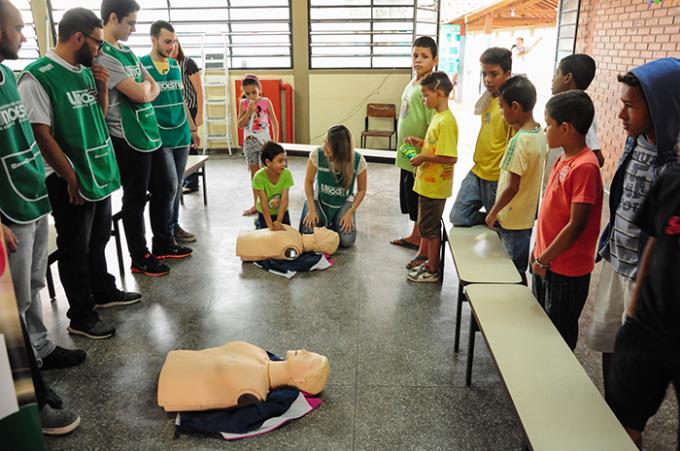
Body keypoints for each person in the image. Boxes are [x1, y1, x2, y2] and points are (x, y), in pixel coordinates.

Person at [19, 7, 141, 339]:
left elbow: (97, 119)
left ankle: (103, 291)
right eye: (97, 42)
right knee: (76, 248)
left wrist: (102, 90)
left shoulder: (87, 69)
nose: (100, 49)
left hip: (97, 171)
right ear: (78, 38)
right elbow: (41, 135)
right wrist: (70, 177)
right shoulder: (38, 76)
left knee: (99, 237)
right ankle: (81, 316)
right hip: (67, 178)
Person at [0, 0, 85, 368]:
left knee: (33, 285)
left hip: (32, 194)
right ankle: (27, 383)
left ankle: (41, 349)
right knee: (12, 301)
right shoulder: (29, 76)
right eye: (17, 28)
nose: (23, 35)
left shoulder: (6, 76)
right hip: (8, 209)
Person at [586, 58, 680, 388]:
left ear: (661, 106)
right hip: (617, 258)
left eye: (630, 107)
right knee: (609, 338)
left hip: (645, 274)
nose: (620, 116)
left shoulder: (674, 164)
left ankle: (627, 425)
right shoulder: (634, 140)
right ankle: (612, 407)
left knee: (636, 356)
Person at [98, 0, 190, 277]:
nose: (134, 29)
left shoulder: (126, 52)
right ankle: (139, 257)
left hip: (150, 134)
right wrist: (144, 91)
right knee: (135, 199)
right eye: (131, 23)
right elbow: (141, 93)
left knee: (165, 187)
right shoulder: (104, 55)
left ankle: (162, 241)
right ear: (113, 18)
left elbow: (152, 87)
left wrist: (144, 90)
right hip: (126, 137)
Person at [605, 134, 680, 449]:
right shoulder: (672, 180)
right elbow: (653, 236)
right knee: (623, 419)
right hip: (649, 324)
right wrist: (634, 308)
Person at [531, 91, 603, 351]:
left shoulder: (585, 166)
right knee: (542, 324)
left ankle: (558, 384)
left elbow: (575, 226)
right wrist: (538, 251)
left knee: (559, 331)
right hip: (547, 261)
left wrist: (543, 258)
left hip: (565, 271)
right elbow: (551, 211)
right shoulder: (562, 158)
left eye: (548, 124)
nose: (545, 130)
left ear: (565, 128)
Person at [140, 21, 200, 246]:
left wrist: (192, 128)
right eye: (167, 41)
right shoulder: (142, 66)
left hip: (181, 133)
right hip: (160, 136)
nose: (171, 46)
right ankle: (165, 232)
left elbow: (182, 100)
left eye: (174, 42)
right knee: (168, 186)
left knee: (177, 185)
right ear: (153, 39)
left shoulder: (176, 66)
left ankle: (174, 226)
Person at [485, 76, 546, 283]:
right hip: (526, 217)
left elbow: (512, 187)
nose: (501, 113)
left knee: (510, 272)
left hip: (511, 219)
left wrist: (493, 212)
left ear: (516, 106)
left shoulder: (519, 141)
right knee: (517, 268)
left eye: (502, 108)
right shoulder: (540, 134)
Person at [450, 47, 513, 227]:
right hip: (477, 170)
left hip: (495, 176)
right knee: (458, 216)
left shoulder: (509, 105)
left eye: (494, 74)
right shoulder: (489, 98)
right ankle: (490, 218)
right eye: (484, 73)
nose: (487, 80)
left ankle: (495, 218)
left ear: (507, 74)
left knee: (500, 225)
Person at [405, 72, 458, 283]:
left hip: (435, 187)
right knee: (426, 225)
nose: (423, 99)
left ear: (439, 93)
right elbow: (437, 147)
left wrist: (423, 157)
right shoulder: (438, 117)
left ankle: (433, 269)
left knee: (431, 228)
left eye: (426, 95)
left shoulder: (446, 121)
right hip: (427, 184)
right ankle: (427, 260)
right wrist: (421, 143)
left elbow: (450, 157)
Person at [390, 36, 437, 255]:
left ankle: (418, 236)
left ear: (434, 60)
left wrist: (426, 152)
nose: (418, 60)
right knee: (410, 193)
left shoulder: (430, 87)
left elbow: (432, 122)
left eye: (424, 56)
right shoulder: (413, 81)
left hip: (419, 152)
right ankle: (415, 233)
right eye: (415, 55)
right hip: (406, 150)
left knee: (418, 195)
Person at [299, 125, 367, 248]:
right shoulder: (317, 155)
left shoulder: (358, 160)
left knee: (347, 241)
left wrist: (350, 212)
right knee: (307, 234)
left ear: (340, 149)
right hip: (319, 201)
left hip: (343, 202)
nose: (324, 146)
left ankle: (336, 222)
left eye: (328, 144)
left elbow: (362, 190)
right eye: (324, 141)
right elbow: (308, 182)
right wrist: (312, 209)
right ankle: (329, 224)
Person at [544, 53, 603, 194]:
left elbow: (597, 157)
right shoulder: (563, 107)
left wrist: (570, 176)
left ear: (567, 78)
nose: (553, 79)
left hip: (564, 192)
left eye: (557, 73)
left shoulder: (579, 110)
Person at [237, 74, 280, 216]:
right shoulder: (243, 104)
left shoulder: (266, 102)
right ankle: (256, 204)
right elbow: (240, 125)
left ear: (259, 89)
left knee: (267, 173)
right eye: (247, 93)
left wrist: (275, 140)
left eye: (254, 92)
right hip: (250, 141)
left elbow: (274, 121)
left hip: (264, 141)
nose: (251, 96)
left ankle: (269, 202)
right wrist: (248, 112)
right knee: (255, 175)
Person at [172, 39, 203, 201]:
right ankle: (184, 179)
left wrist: (199, 113)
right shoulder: (168, 64)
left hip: (190, 108)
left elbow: (199, 90)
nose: (171, 48)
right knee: (182, 145)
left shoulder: (187, 63)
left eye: (174, 44)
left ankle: (192, 181)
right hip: (176, 110)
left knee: (191, 144)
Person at [252, 142, 294, 231]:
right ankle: (259, 223)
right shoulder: (259, 177)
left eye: (285, 160)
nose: (284, 164)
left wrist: (279, 221)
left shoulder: (286, 174)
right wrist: (270, 225)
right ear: (268, 162)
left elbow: (284, 200)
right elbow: (263, 203)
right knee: (267, 237)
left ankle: (260, 223)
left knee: (285, 234)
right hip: (265, 213)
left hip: (282, 211)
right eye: (280, 161)